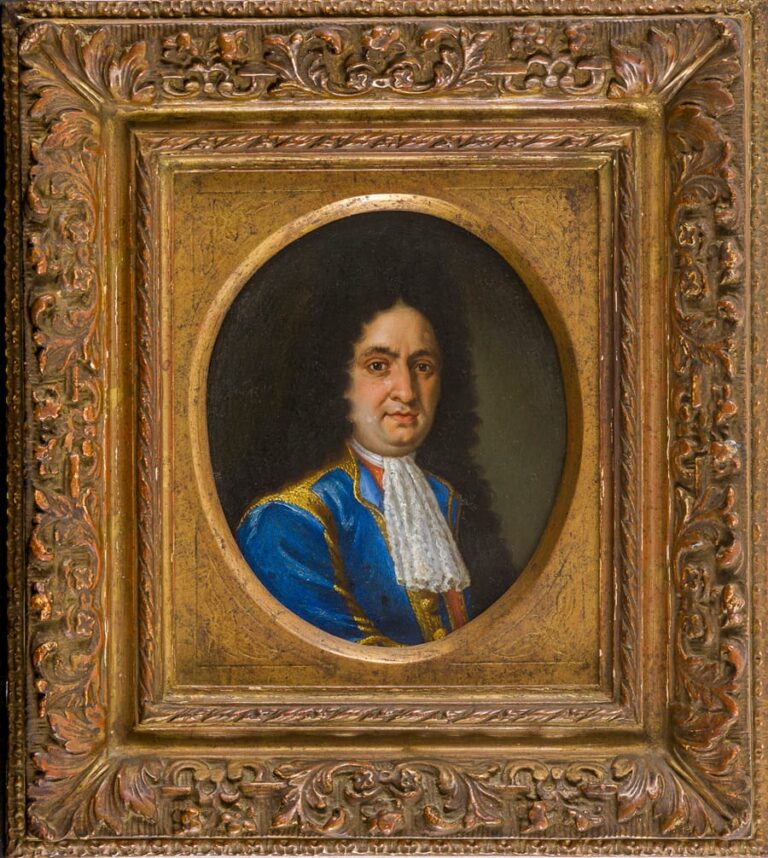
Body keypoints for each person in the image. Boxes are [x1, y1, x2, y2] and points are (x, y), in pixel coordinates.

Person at [232, 214, 518, 645]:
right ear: (337, 381)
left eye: (423, 366)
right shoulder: (286, 523)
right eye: (379, 366)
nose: (407, 391)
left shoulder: (450, 503)